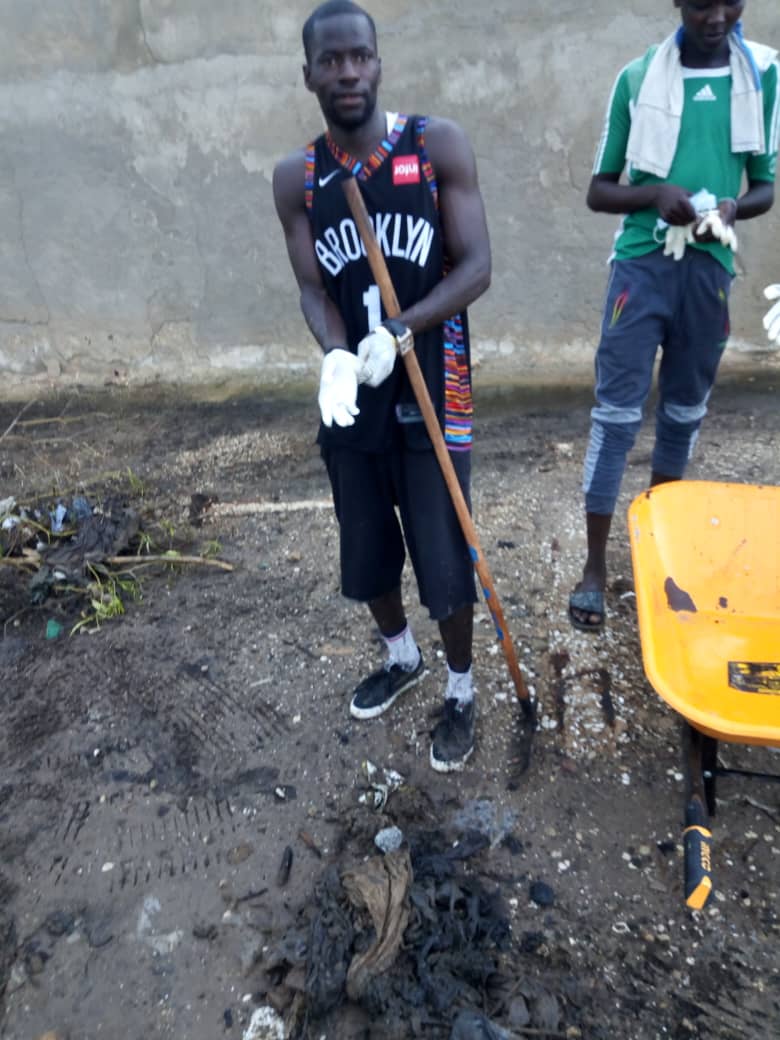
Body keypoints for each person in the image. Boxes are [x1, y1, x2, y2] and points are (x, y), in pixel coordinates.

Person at [272, 0, 491, 770]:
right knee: (365, 543)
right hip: (352, 389)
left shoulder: (435, 145)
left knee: (443, 552)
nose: (347, 72)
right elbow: (311, 286)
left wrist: (404, 329)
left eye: (358, 56)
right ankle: (403, 658)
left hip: (432, 376)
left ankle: (461, 689)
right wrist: (334, 350)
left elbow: (475, 269)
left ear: (378, 61)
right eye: (330, 61)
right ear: (309, 75)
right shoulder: (299, 176)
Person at [570, 0, 778, 632]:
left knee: (683, 416)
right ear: (677, 4)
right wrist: (654, 195)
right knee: (615, 417)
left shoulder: (763, 76)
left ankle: (659, 555)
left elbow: (765, 183)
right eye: (698, 4)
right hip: (641, 269)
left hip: (709, 273)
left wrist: (734, 210)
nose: (715, 17)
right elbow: (599, 189)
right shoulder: (639, 78)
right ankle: (595, 569)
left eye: (728, 3)